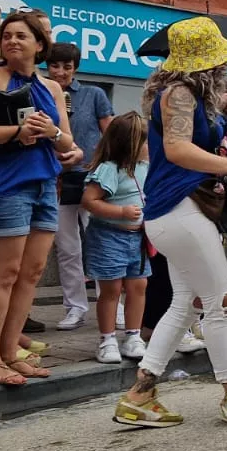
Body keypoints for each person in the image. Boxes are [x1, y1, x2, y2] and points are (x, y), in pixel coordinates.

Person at [112, 17, 227, 428]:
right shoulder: (179, 93)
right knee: (222, 300)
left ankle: (139, 394)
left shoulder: (185, 93)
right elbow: (177, 149)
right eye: (222, 62)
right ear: (208, 63)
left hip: (176, 210)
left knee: (184, 304)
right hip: (176, 209)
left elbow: (183, 149)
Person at [0, 12, 76, 385]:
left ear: (39, 45)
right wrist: (15, 131)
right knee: (4, 273)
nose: (11, 41)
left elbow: (68, 143)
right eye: (6, 35)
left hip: (44, 183)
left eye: (21, 36)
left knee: (32, 273)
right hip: (6, 185)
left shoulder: (51, 87)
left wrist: (53, 131)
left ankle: (11, 351)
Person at [44, 42, 114, 331]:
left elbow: (110, 133)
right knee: (67, 247)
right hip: (56, 178)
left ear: (75, 68)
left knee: (102, 241)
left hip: (91, 177)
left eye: (67, 67)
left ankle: (113, 304)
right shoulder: (41, 93)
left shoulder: (93, 94)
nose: (60, 72)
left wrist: (109, 168)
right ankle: (75, 307)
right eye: (55, 66)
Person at [80, 111, 151, 362]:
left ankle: (133, 336)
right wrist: (120, 211)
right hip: (109, 236)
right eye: (145, 141)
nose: (148, 146)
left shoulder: (143, 168)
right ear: (129, 145)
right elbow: (89, 200)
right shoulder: (109, 169)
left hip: (137, 240)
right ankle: (107, 338)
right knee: (111, 289)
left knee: (138, 286)